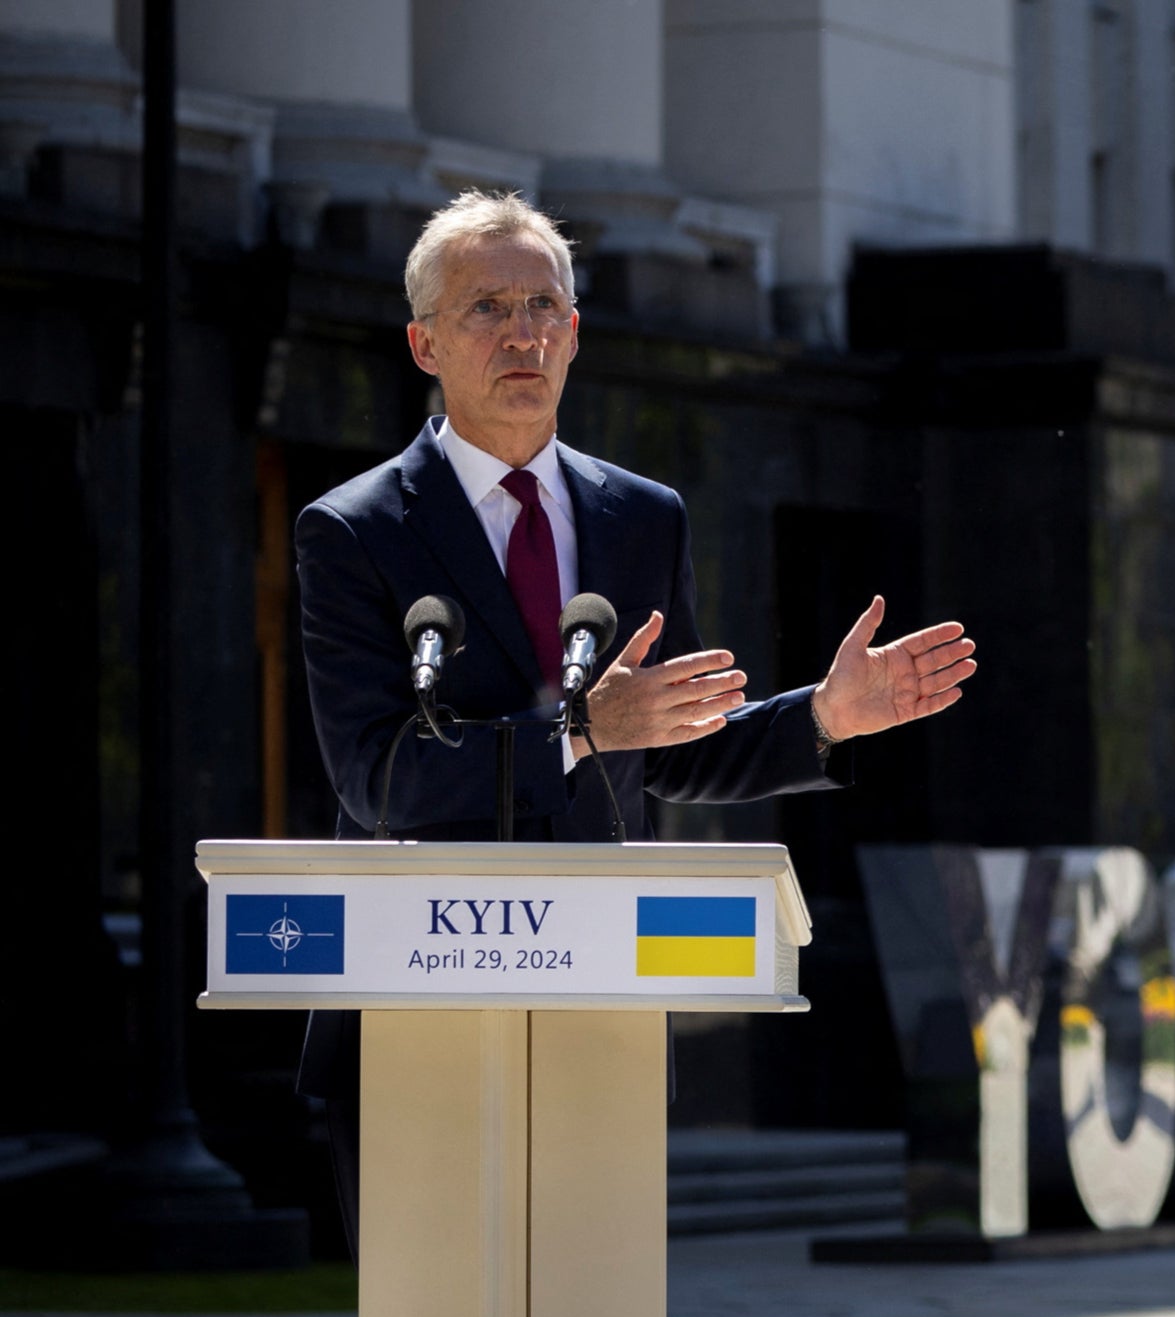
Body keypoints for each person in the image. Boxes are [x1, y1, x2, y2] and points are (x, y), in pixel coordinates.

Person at [296, 190, 977, 1236]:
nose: (522, 332)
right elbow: (375, 774)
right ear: (423, 342)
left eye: (544, 306)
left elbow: (667, 748)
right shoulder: (353, 530)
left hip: (597, 1000)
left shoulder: (640, 516)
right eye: (487, 309)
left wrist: (825, 718)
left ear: (574, 334)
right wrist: (578, 731)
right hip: (413, 1001)